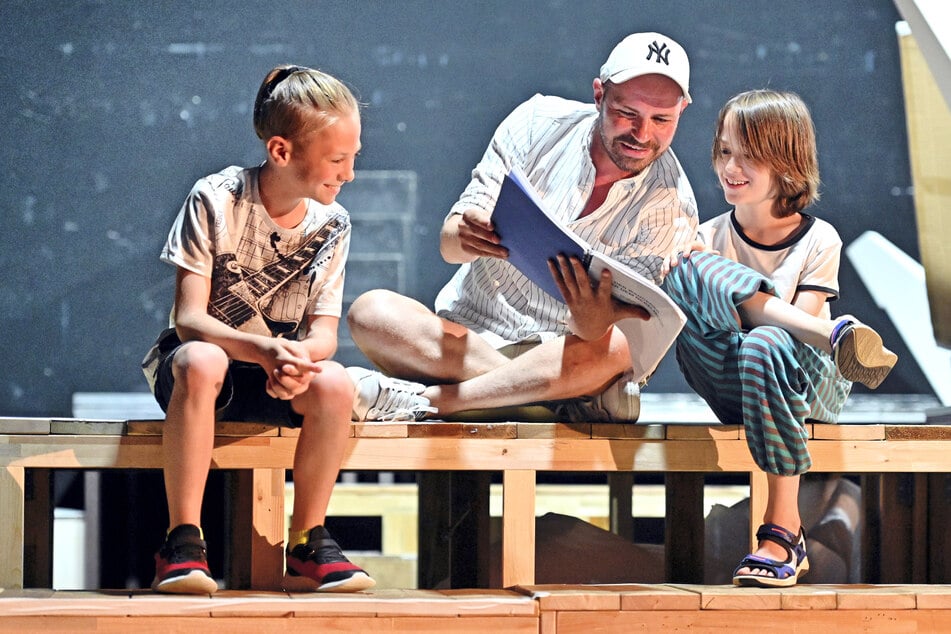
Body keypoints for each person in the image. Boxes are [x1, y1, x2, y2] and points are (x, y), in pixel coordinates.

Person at [345, 32, 699, 422]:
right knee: (371, 312)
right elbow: (450, 245)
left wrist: (590, 320)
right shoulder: (537, 122)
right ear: (599, 94)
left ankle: (429, 401)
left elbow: (624, 338)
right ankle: (552, 405)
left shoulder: (673, 205)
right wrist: (465, 235)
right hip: (474, 337)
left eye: (661, 119)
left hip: (562, 353)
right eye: (627, 113)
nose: (642, 133)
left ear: (682, 110)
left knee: (613, 350)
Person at [141, 65, 375, 594]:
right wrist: (266, 349)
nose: (349, 174)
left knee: (336, 381)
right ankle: (182, 541)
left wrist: (297, 362)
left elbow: (323, 332)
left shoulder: (333, 225)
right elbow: (190, 319)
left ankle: (308, 541)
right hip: (200, 374)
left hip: (275, 375)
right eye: (338, 160)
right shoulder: (217, 198)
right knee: (205, 359)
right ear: (281, 151)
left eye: (353, 158)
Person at [661, 89, 897, 587]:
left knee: (767, 340)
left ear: (786, 162)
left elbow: (791, 335)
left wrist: (728, 305)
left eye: (749, 155)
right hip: (738, 383)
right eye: (725, 151)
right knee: (682, 261)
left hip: (804, 384)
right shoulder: (707, 236)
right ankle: (837, 333)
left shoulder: (818, 238)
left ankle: (783, 531)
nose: (731, 166)